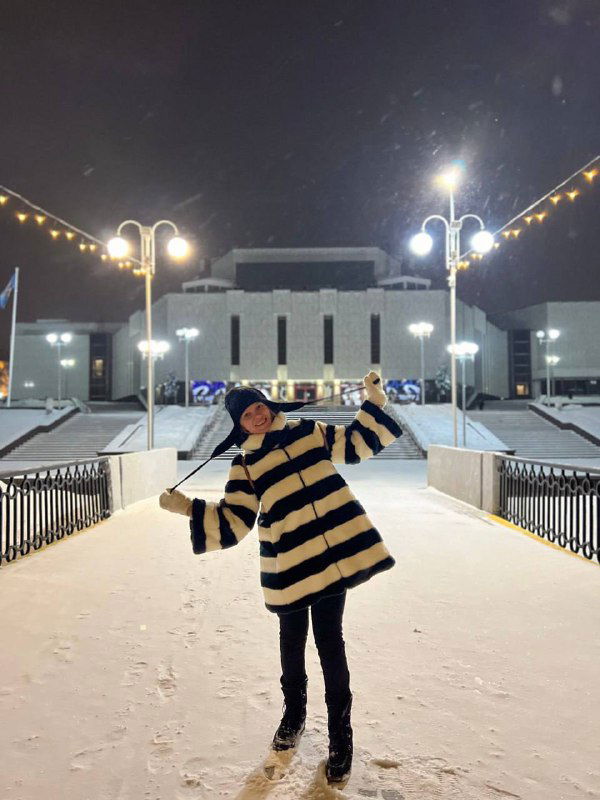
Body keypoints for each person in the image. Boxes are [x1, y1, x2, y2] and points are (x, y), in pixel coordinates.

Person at [159, 371, 402, 784]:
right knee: (291, 641)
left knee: (330, 642)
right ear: (239, 424)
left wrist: (375, 402)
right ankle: (294, 715)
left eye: (259, 407)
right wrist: (186, 508)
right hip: (288, 564)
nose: (257, 416)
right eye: (247, 414)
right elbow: (235, 519)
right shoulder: (245, 465)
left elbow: (353, 445)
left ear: (269, 406)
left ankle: (341, 735)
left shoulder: (309, 431)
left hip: (332, 557)